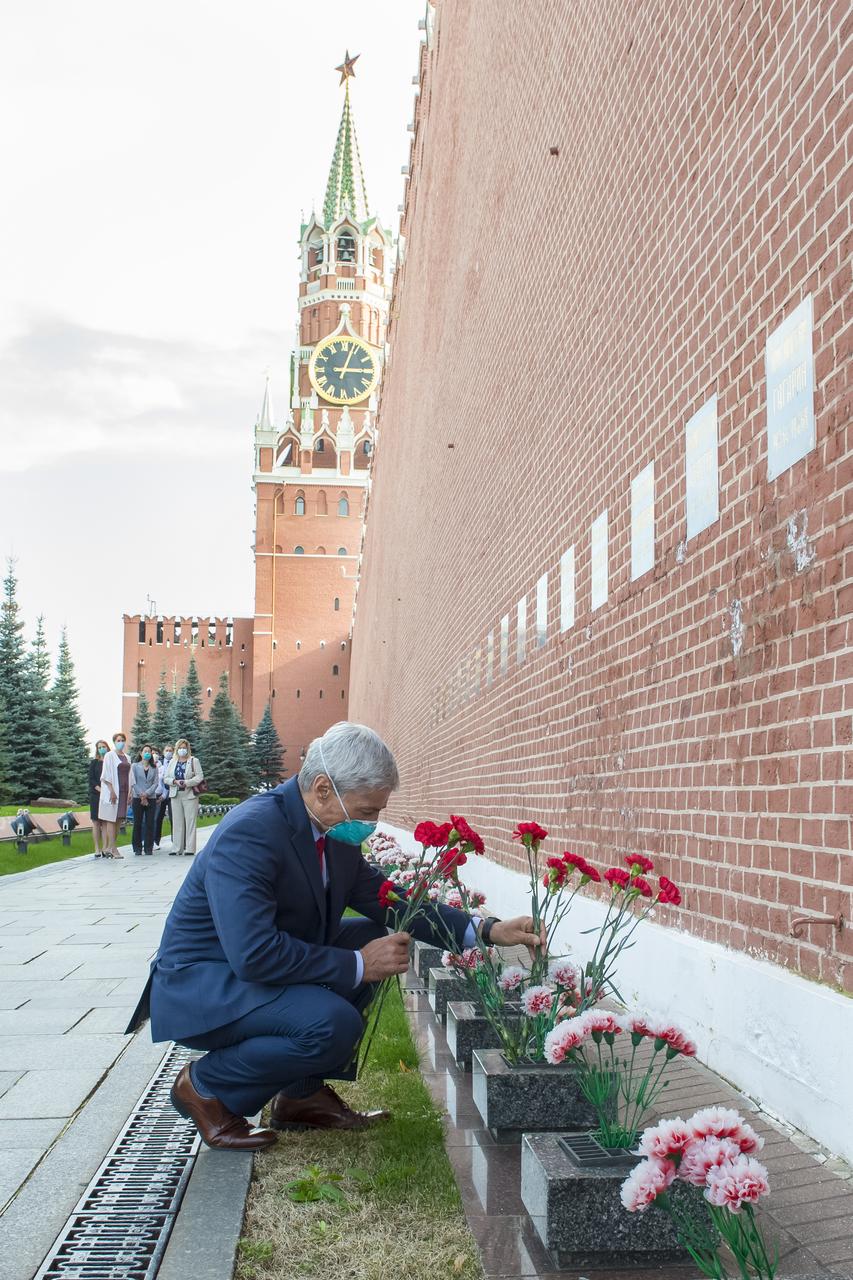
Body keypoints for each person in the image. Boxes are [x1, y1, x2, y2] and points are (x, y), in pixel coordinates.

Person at [126, 721, 542, 1151]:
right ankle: (206, 1088)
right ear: (324, 789)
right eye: (367, 811)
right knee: (332, 1025)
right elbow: (252, 955)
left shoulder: (331, 829)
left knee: (367, 930)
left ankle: (300, 1095)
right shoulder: (250, 832)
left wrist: (487, 930)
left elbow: (388, 900)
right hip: (208, 983)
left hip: (247, 968)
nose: (373, 824)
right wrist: (360, 964)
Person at [164, 738, 204, 856]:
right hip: (175, 794)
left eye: (184, 748)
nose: (182, 750)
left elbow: (199, 776)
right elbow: (165, 778)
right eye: (180, 748)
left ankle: (190, 848)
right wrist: (174, 781)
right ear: (177, 749)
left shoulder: (193, 761)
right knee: (177, 822)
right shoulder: (173, 761)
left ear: (188, 749)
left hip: (190, 795)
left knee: (190, 821)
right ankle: (177, 848)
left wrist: (187, 782)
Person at [98, 731, 131, 859]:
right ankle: (113, 848)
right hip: (113, 792)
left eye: (122, 740)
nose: (121, 742)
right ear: (114, 742)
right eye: (118, 740)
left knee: (119, 819)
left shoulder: (127, 757)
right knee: (111, 818)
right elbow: (106, 775)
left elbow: (130, 775)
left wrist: (130, 792)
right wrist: (111, 791)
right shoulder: (109, 756)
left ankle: (110, 846)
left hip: (124, 790)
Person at [131, 744, 159, 856]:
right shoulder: (135, 766)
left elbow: (156, 783)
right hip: (137, 797)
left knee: (150, 823)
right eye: (145, 751)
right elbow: (133, 782)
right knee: (137, 822)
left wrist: (146, 794)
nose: (147, 753)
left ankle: (148, 847)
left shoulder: (154, 767)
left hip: (150, 798)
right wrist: (141, 794)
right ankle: (137, 847)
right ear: (141, 753)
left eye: (149, 751)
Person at [88, 740, 109, 858]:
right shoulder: (94, 763)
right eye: (100, 747)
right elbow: (91, 779)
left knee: (105, 822)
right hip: (96, 795)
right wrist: (99, 789)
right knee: (96, 822)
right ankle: (97, 848)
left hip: (108, 795)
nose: (102, 749)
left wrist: (106, 791)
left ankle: (105, 847)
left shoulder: (110, 761)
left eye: (104, 747)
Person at [153, 745, 172, 850]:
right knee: (157, 818)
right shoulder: (159, 763)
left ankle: (176, 842)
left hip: (170, 795)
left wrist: (165, 795)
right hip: (159, 796)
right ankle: (156, 841)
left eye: (170, 751)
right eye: (167, 750)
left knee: (173, 819)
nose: (168, 752)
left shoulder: (174, 762)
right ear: (163, 752)